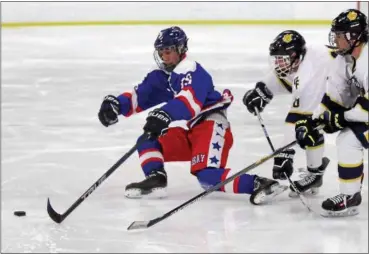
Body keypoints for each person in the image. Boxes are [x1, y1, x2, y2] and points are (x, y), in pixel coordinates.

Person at [97, 26, 287, 205]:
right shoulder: (163, 76)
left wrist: (164, 114)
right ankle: (156, 179)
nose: (165, 56)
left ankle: (260, 184)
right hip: (192, 131)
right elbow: (142, 95)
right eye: (161, 52)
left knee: (207, 178)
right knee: (146, 140)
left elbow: (191, 101)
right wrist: (116, 105)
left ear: (181, 49)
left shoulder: (191, 69)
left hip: (211, 125)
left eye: (168, 51)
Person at [295, 9, 368, 217]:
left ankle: (350, 196)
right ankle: (350, 195)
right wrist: (314, 121)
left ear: (353, 37)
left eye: (338, 35)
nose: (334, 39)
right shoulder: (343, 61)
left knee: (349, 138)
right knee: (348, 137)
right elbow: (336, 98)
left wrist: (341, 118)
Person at [242, 30, 331, 196]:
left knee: (309, 127)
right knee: (309, 125)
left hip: (350, 92)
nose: (278, 64)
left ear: (296, 56)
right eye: (277, 60)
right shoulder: (303, 59)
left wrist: (285, 153)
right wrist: (262, 89)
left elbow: (298, 117)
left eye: (282, 60)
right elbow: (282, 78)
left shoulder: (308, 74)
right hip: (332, 83)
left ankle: (315, 174)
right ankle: (315, 172)